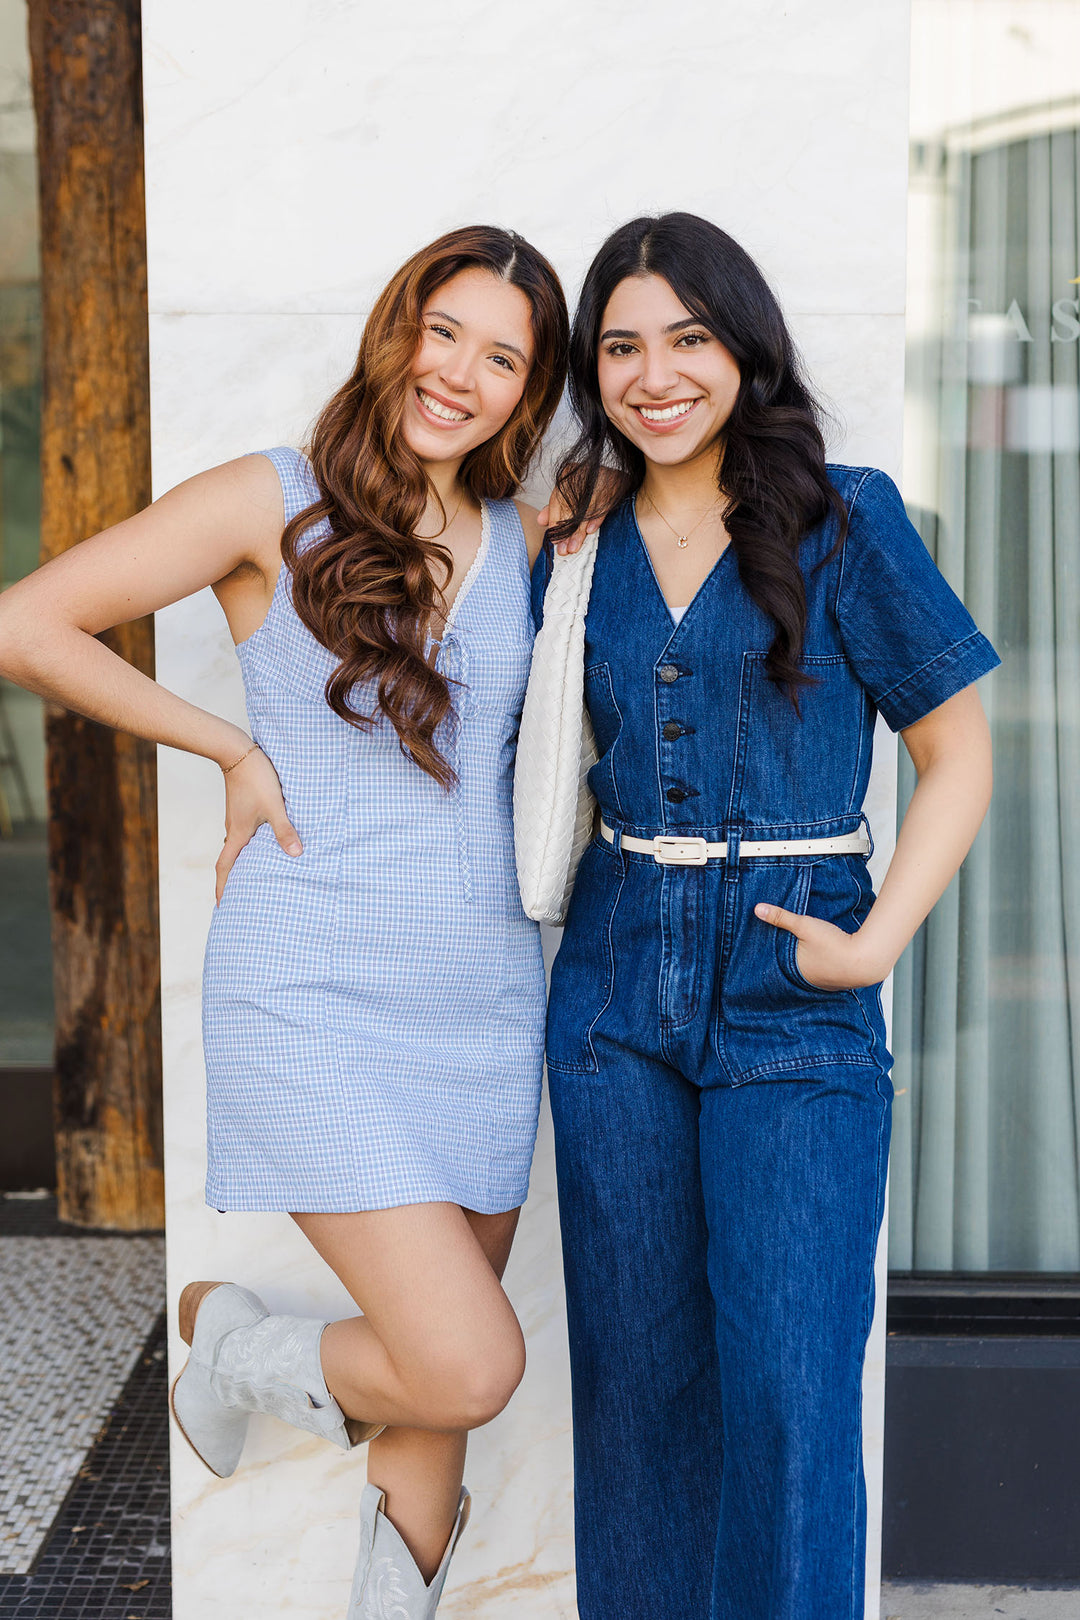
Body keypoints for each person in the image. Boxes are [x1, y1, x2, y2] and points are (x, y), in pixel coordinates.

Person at [0, 224, 569, 1618]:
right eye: (446, 332)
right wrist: (228, 749)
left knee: (443, 1405)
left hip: (486, 1006)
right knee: (465, 1360)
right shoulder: (275, 497)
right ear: (398, 328)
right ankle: (236, 1357)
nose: (461, 374)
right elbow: (30, 621)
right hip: (310, 992)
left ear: (529, 393)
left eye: (504, 358)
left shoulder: (523, 535)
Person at [534, 212, 999, 1620]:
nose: (654, 372)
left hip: (797, 983)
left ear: (746, 350)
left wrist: (879, 942)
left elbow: (959, 750)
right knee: (639, 1392)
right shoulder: (575, 537)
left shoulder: (843, 516)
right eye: (620, 345)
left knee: (792, 1387)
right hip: (616, 982)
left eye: (688, 337)